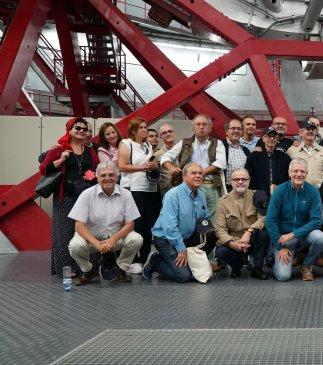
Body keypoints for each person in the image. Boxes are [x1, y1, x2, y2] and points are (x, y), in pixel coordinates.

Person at [39, 117, 99, 278]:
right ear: (69, 130)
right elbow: (44, 169)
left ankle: (87, 268)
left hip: (86, 196)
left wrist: (91, 176)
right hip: (64, 196)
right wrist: (62, 159)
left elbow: (96, 171)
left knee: (88, 231)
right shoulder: (59, 149)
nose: (81, 131)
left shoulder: (90, 151)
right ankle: (66, 269)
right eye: (77, 128)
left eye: (85, 129)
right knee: (64, 232)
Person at [68, 161, 143, 285]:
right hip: (91, 238)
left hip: (116, 238)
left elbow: (130, 224)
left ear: (117, 177)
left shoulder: (126, 194)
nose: (107, 178)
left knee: (136, 239)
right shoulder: (86, 194)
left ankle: (121, 269)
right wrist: (96, 243)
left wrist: (113, 240)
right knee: (75, 246)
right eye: (103, 175)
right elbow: (78, 225)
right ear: (97, 177)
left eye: (111, 175)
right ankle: (88, 270)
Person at [142, 163, 216, 283]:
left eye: (200, 173)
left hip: (187, 236)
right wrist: (181, 250)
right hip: (165, 239)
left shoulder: (201, 195)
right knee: (184, 276)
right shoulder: (173, 195)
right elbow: (170, 227)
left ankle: (189, 263)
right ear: (184, 176)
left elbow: (204, 219)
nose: (198, 176)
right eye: (194, 173)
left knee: (213, 234)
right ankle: (155, 262)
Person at [265, 158, 323, 281]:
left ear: (307, 174)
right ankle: (274, 259)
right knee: (283, 276)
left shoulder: (313, 191)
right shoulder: (280, 190)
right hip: (284, 239)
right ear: (289, 172)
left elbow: (317, 220)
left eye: (302, 171)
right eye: (295, 171)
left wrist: (293, 234)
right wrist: (280, 247)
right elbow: (270, 220)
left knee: (320, 237)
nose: (299, 174)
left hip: (303, 235)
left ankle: (306, 264)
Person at [161, 114, 226, 221]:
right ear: (193, 128)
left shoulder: (217, 143)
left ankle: (209, 238)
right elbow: (165, 157)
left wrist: (201, 174)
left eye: (204, 124)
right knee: (188, 216)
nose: (201, 127)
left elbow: (221, 163)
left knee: (213, 219)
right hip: (188, 187)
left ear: (210, 128)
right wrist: (171, 168)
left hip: (211, 186)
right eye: (198, 124)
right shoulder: (184, 143)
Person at [118, 117, 161, 273]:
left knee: (148, 226)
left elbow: (151, 163)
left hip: (149, 188)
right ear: (134, 130)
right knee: (136, 225)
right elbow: (121, 166)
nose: (144, 129)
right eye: (141, 127)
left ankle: (144, 259)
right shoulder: (126, 144)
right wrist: (141, 168)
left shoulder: (148, 145)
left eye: (145, 126)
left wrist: (153, 165)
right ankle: (132, 260)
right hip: (133, 188)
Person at [214, 168, 269, 279]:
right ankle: (237, 266)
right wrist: (232, 243)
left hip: (252, 238)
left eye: (244, 179)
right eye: (236, 179)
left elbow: (264, 218)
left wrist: (249, 232)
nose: (240, 182)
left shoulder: (257, 196)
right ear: (231, 181)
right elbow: (220, 230)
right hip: (234, 240)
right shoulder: (222, 202)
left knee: (264, 233)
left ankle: (257, 268)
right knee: (220, 251)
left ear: (249, 181)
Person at [245, 127, 291, 195]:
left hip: (280, 196)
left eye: (274, 136)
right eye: (269, 136)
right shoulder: (253, 157)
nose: (272, 139)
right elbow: (248, 177)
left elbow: (289, 178)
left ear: (277, 139)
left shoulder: (285, 157)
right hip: (259, 196)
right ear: (263, 139)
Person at [287, 120, 323, 188]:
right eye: (308, 129)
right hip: (297, 192)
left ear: (316, 133)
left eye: (313, 129)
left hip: (319, 192)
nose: (311, 131)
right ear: (300, 132)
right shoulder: (292, 150)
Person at [222, 119, 250, 191]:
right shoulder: (219, 146)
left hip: (243, 189)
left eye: (239, 129)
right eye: (233, 128)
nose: (236, 131)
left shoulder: (245, 150)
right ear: (226, 131)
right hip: (225, 189)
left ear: (242, 132)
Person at [154, 123, 177, 197]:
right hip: (167, 190)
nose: (168, 134)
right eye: (164, 133)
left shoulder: (185, 150)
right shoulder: (156, 155)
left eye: (170, 131)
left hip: (185, 186)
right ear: (160, 137)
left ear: (174, 133)